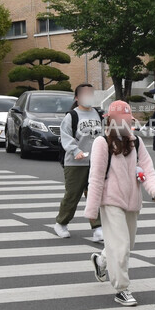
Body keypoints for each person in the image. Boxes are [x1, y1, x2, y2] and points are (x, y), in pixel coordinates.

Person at [85, 101, 155, 306]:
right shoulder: (101, 143)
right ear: (110, 121)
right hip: (111, 201)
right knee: (120, 247)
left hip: (132, 201)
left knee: (126, 244)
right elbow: (96, 177)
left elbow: (147, 169)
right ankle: (122, 289)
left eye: (127, 120)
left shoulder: (135, 142)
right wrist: (92, 208)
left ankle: (102, 261)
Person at [50, 84, 104, 241]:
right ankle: (61, 223)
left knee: (94, 195)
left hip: (95, 162)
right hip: (75, 163)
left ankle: (97, 227)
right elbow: (65, 136)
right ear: (77, 97)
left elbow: (103, 136)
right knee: (72, 195)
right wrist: (75, 151)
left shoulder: (98, 114)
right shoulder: (72, 116)